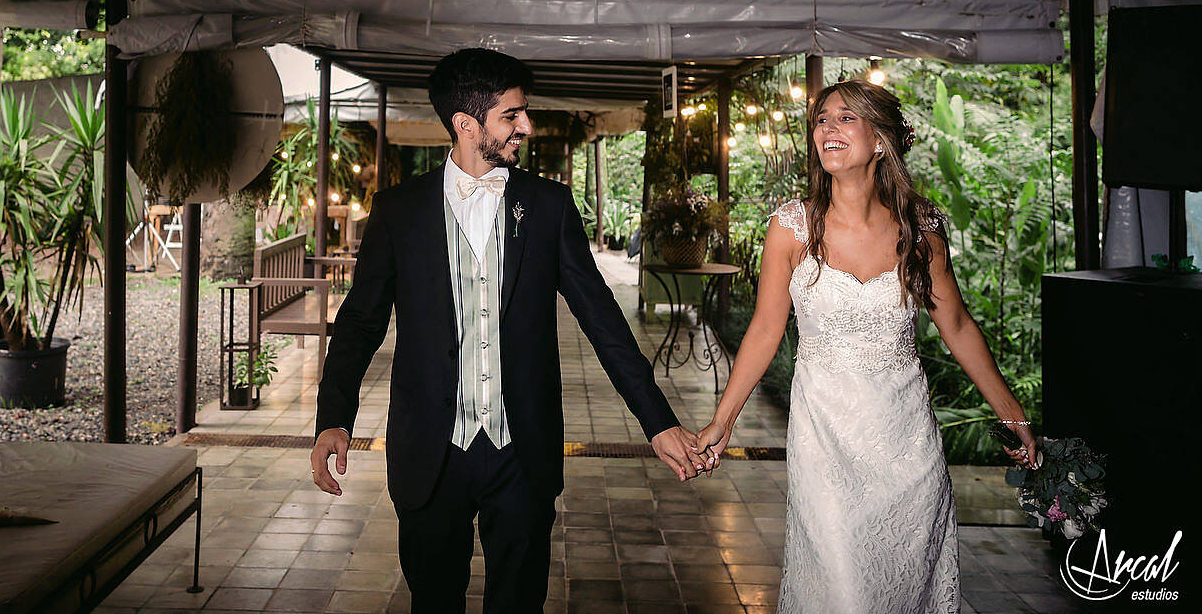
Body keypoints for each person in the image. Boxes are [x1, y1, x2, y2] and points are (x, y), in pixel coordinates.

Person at [311, 48, 711, 612]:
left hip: (521, 455)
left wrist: (658, 422)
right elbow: (359, 321)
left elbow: (601, 318)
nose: (526, 125)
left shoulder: (548, 207)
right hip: (431, 453)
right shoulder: (398, 211)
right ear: (466, 125)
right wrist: (333, 417)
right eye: (512, 115)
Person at [696, 79, 1039, 614]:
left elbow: (958, 325)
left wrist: (1011, 412)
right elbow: (765, 330)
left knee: (903, 588)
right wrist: (723, 421)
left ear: (880, 140)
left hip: (907, 446)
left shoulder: (920, 232)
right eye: (822, 119)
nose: (828, 128)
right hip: (824, 441)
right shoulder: (791, 227)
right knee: (844, 589)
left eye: (845, 118)